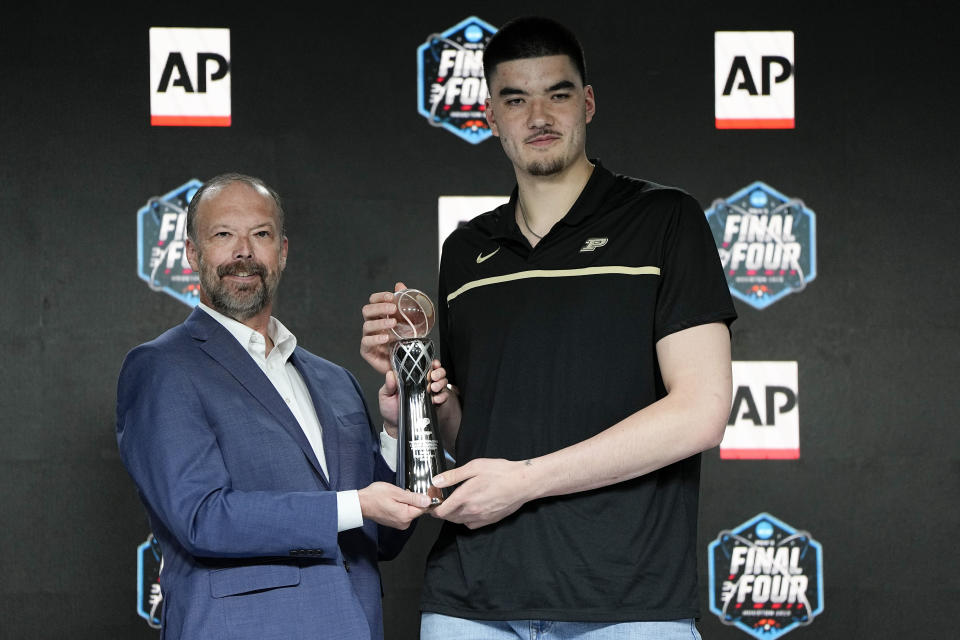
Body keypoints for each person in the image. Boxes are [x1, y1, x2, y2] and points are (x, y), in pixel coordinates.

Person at [361, 16, 737, 640]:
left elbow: (701, 410)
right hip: (470, 602)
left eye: (557, 94)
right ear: (489, 115)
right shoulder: (465, 248)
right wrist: (416, 405)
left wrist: (526, 482)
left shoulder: (664, 220)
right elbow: (466, 435)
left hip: (625, 605)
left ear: (586, 103)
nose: (538, 115)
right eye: (515, 99)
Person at [116, 173, 437, 640]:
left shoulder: (335, 380)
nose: (243, 251)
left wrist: (393, 432)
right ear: (192, 253)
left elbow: (379, 538)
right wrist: (351, 505)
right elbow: (202, 519)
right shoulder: (162, 368)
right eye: (223, 234)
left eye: (260, 235)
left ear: (282, 252)